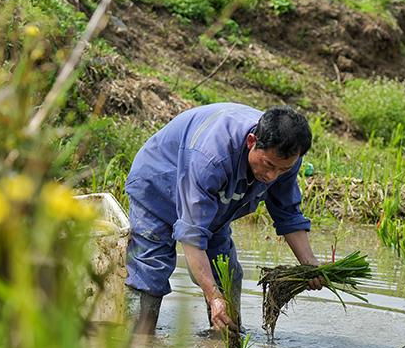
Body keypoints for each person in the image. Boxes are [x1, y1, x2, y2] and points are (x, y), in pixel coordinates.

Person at [124, 103, 323, 334]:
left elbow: (287, 213)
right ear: (251, 142)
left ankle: (225, 347)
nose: (272, 177)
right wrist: (212, 296)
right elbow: (192, 235)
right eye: (268, 165)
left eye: (282, 170)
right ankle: (137, 342)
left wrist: (310, 266)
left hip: (215, 202)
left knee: (226, 273)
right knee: (151, 269)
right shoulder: (211, 157)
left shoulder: (285, 159)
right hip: (157, 187)